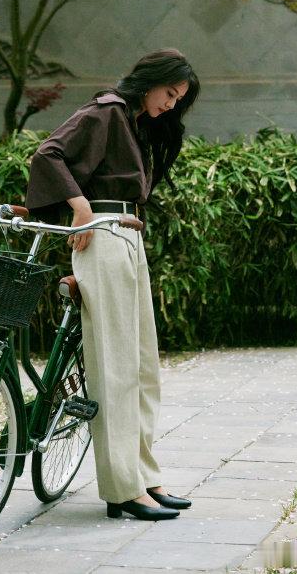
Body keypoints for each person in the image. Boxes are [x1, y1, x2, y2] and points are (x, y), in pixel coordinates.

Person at [25, 48, 200, 521]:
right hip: (102, 235)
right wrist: (80, 207)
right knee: (116, 367)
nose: (171, 104)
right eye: (170, 93)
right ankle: (123, 487)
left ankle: (144, 476)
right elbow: (48, 154)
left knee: (142, 365)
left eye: (178, 99)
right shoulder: (106, 111)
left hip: (127, 235)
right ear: (150, 80)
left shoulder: (134, 122)